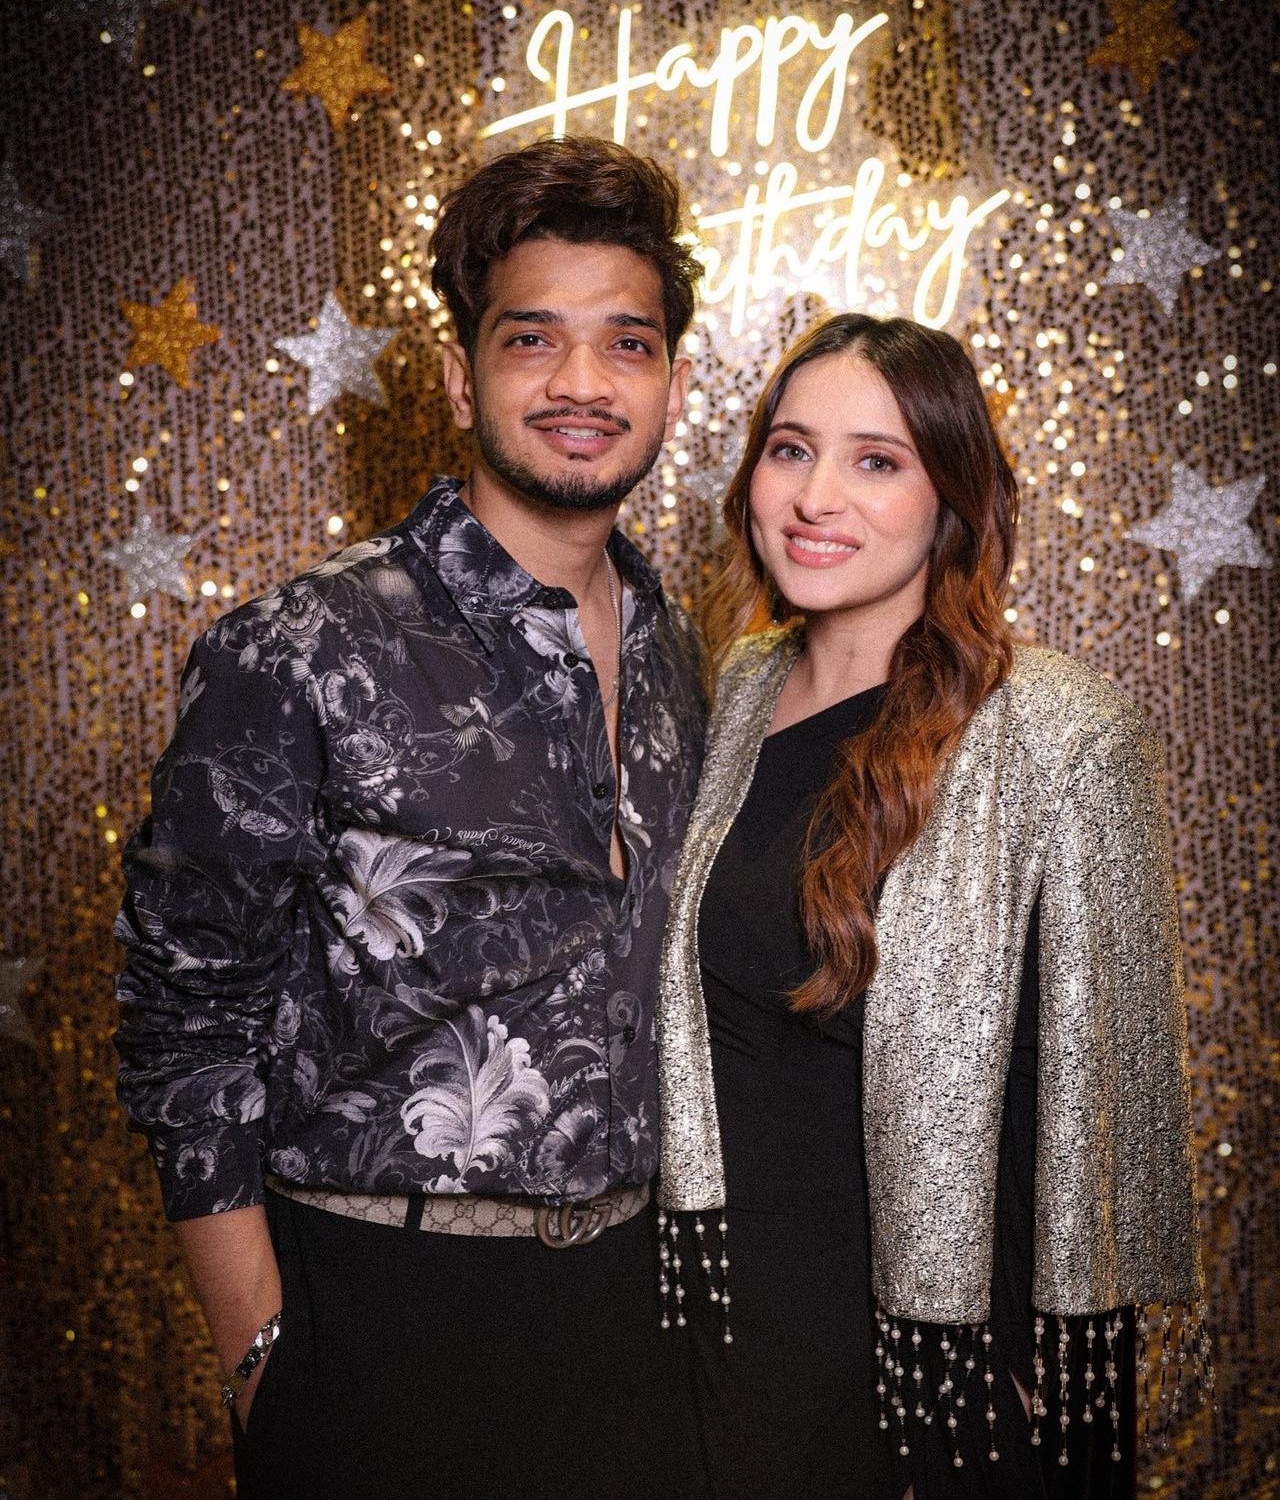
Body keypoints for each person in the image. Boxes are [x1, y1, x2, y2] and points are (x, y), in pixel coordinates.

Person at [114, 136, 708, 1500]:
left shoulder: (691, 652)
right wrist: (263, 1347)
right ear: (459, 375)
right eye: (531, 341)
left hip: (641, 1322)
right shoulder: (303, 645)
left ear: (672, 379)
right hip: (381, 1311)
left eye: (625, 343)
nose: (580, 384)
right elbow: (184, 1023)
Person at [654, 313, 1208, 1499]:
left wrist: (1019, 1383)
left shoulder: (1060, 735)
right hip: (710, 1322)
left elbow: (1084, 1103)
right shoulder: (737, 688)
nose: (815, 497)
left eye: (876, 460)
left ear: (951, 496)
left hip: (926, 1358)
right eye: (789, 449)